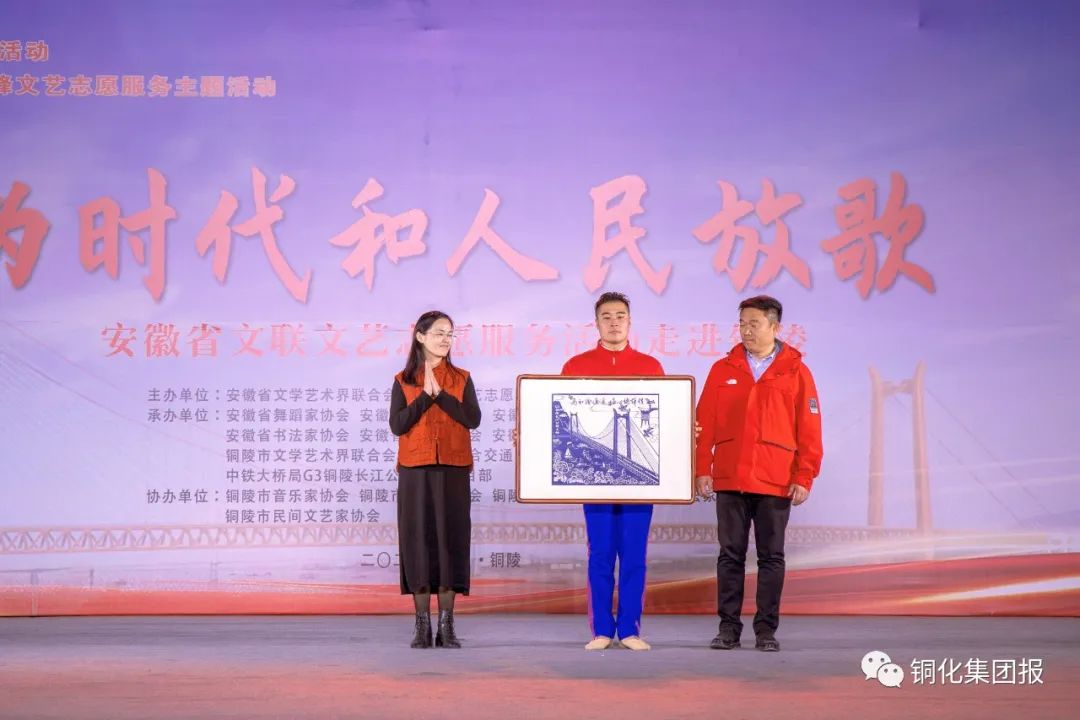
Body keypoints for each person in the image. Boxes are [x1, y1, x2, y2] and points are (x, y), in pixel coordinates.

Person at [694, 295, 822, 652]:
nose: (746, 330)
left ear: (774, 326)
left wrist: (804, 475)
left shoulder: (796, 372)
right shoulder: (723, 369)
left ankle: (766, 631)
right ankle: (728, 630)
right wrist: (702, 469)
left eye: (754, 323)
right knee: (729, 556)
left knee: (771, 557)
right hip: (730, 477)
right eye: (742, 324)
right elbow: (703, 424)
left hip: (775, 479)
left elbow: (809, 429)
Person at [561, 291, 665, 651]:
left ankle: (630, 630)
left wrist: (684, 430)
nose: (614, 322)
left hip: (641, 483)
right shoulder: (575, 366)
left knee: (634, 555)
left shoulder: (651, 367)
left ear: (630, 321)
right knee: (601, 554)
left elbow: (662, 422)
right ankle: (602, 630)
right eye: (606, 316)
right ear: (596, 323)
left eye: (620, 315)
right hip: (596, 484)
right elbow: (557, 420)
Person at [389, 310, 481, 649]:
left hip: (453, 469)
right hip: (415, 470)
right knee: (418, 543)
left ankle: (447, 625)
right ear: (420, 336)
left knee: (450, 543)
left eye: (450, 334)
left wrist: (440, 394)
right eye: (439, 333)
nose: (445, 339)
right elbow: (398, 425)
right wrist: (425, 397)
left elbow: (472, 419)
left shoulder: (462, 378)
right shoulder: (403, 379)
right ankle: (421, 625)